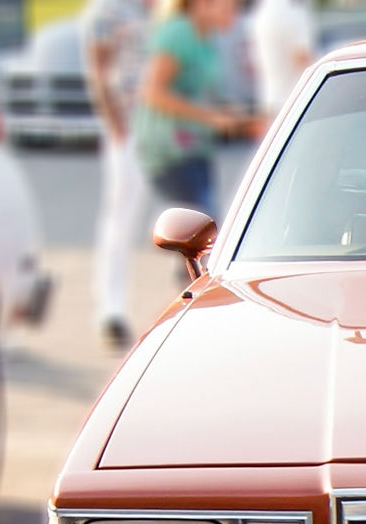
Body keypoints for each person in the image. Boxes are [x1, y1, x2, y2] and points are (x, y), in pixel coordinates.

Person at [135, 0, 258, 218]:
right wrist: (210, 117)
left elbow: (201, 94)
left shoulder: (206, 36)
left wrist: (235, 117)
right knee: (202, 225)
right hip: (171, 149)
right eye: (229, 7)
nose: (235, 15)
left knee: (200, 226)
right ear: (203, 4)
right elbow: (153, 92)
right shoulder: (179, 32)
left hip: (196, 146)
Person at [82, 0, 153, 347]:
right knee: (120, 217)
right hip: (130, 127)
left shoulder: (157, 8)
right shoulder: (107, 10)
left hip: (165, 125)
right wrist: (116, 125)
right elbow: (98, 68)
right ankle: (112, 309)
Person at [250, 0, 312, 115]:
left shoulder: (262, 11)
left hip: (271, 103)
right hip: (297, 104)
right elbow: (303, 60)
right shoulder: (293, 12)